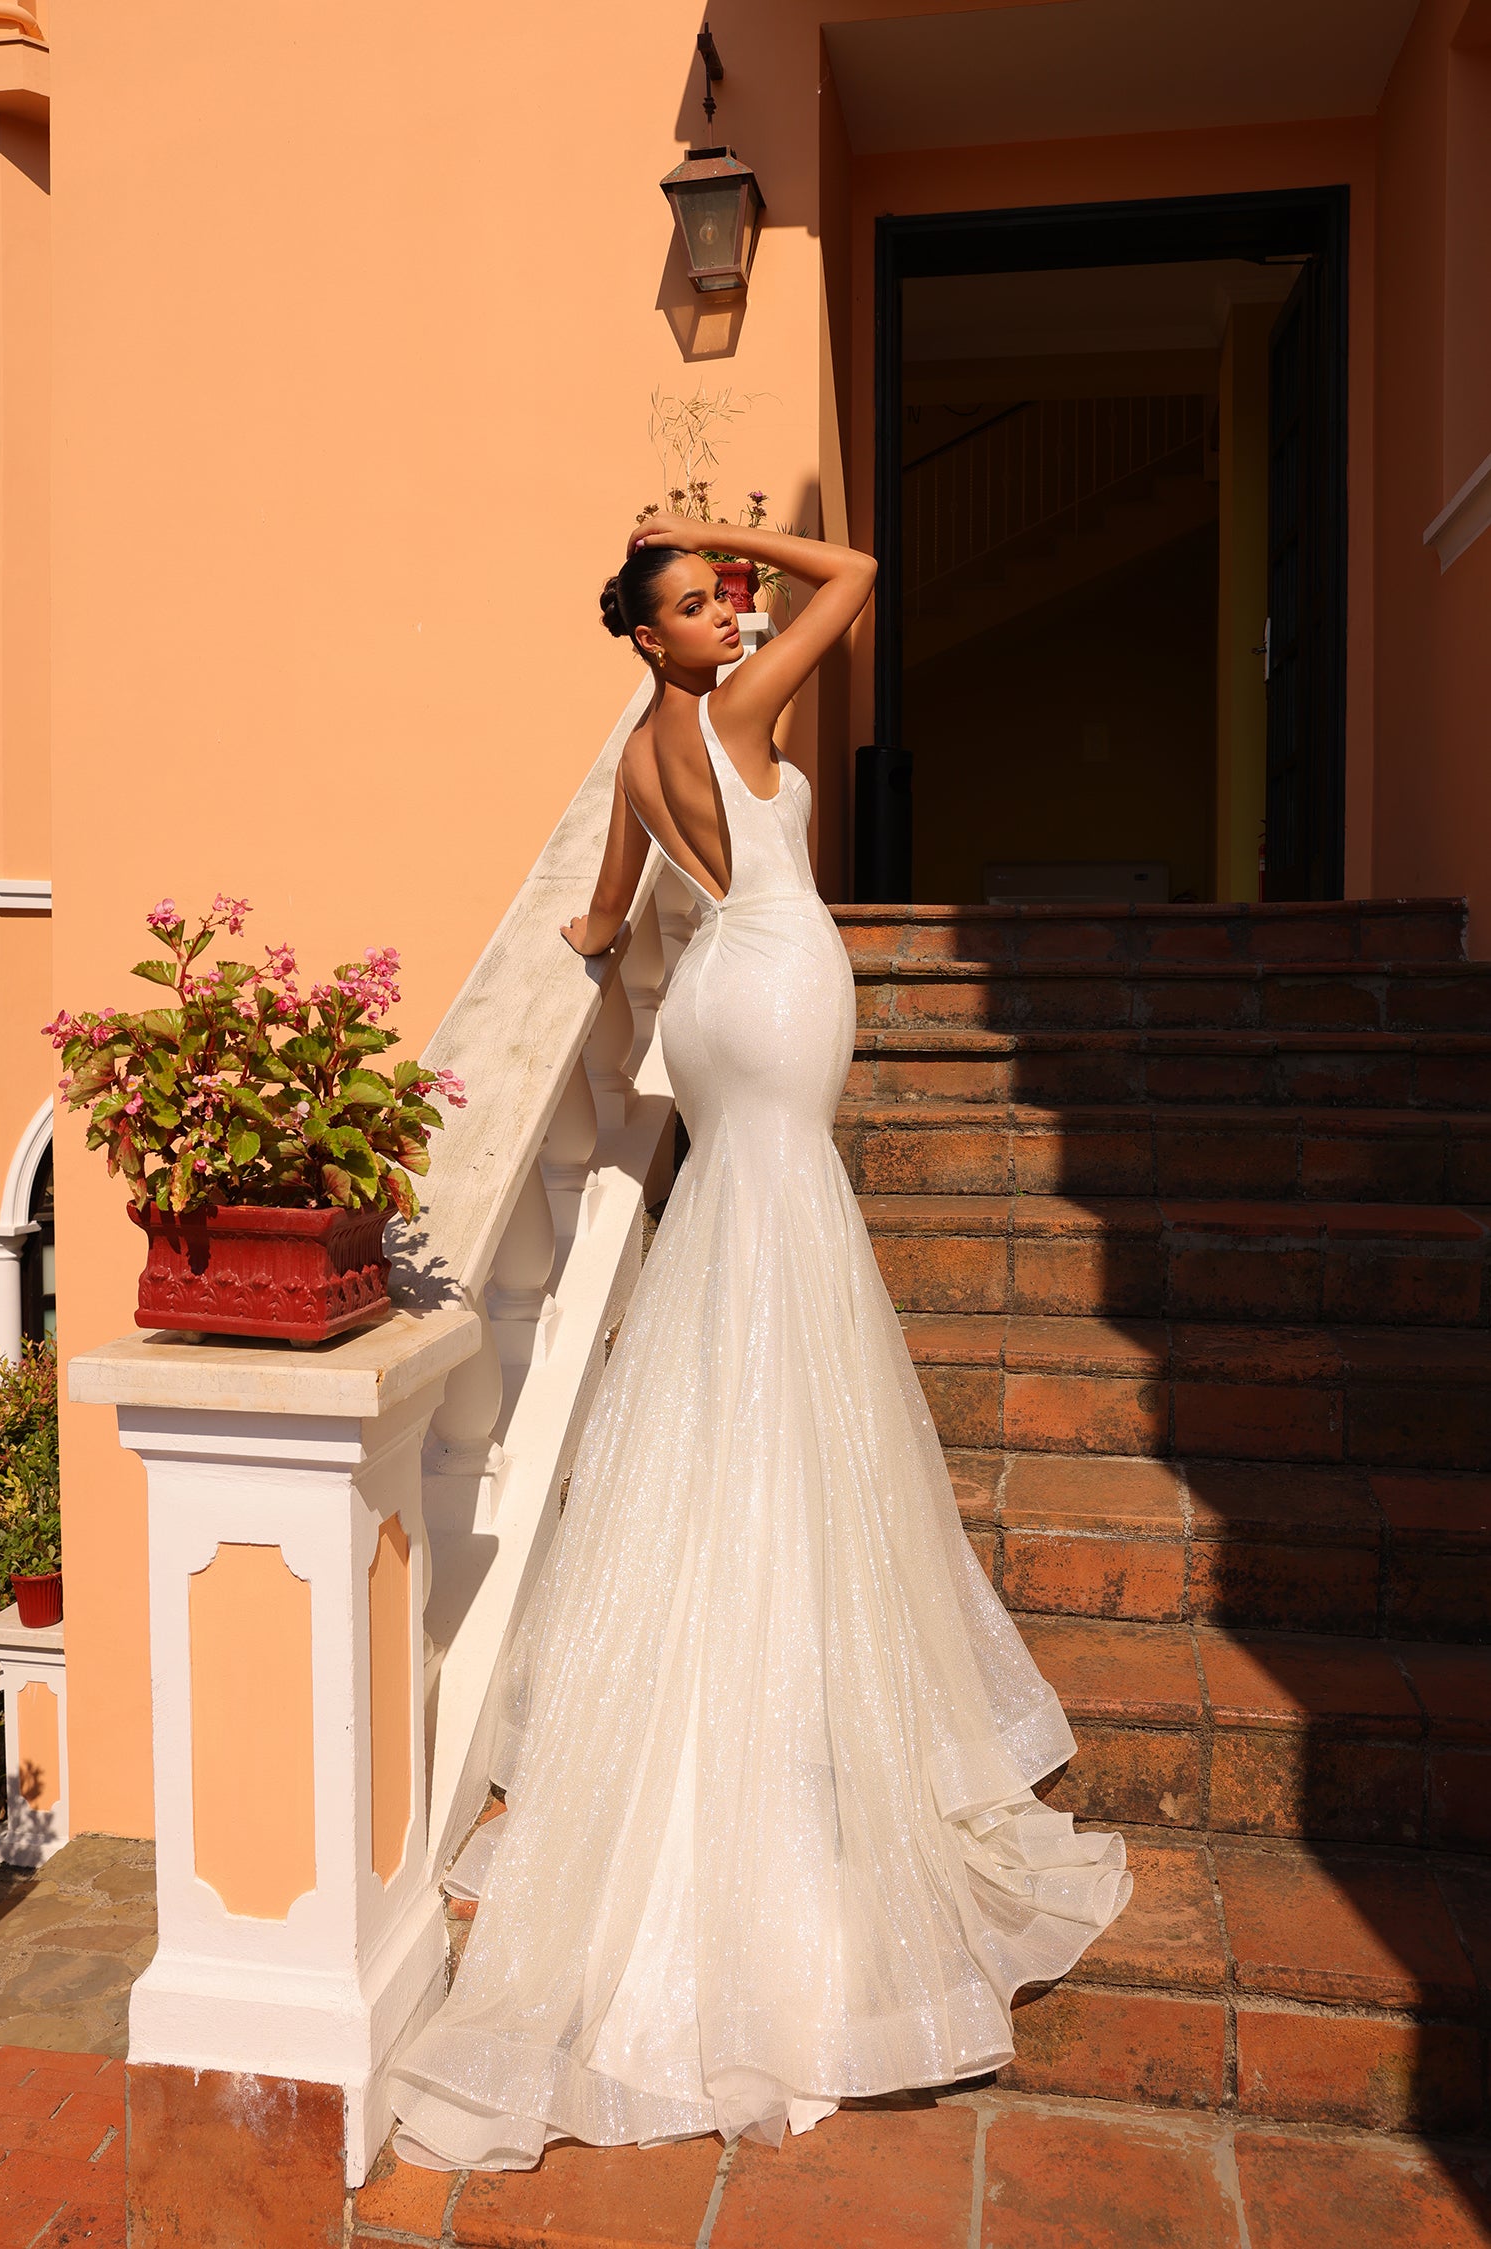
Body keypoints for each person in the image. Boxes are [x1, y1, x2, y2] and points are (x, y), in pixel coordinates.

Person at [387, 514, 1130, 2173]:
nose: (730, 611)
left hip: (718, 1001)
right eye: (696, 603)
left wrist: (579, 959)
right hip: (775, 987)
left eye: (722, 596)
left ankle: (751, 1601)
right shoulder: (724, 716)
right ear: (654, 636)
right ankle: (787, 1679)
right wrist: (710, 515)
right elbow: (863, 571)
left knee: (741, 1290)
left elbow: (599, 911)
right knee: (790, 1284)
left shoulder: (652, 745)